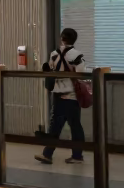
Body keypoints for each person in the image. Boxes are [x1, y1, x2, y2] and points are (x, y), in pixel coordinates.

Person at [36, 28, 86, 165]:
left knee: (56, 125)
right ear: (74, 39)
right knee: (75, 126)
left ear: (61, 38)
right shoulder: (77, 55)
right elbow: (81, 73)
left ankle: (48, 154)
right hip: (73, 95)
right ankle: (76, 155)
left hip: (58, 94)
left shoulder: (53, 54)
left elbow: (50, 71)